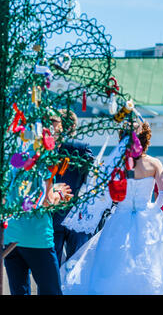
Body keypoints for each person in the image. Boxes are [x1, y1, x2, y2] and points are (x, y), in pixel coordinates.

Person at [59, 122, 163, 294]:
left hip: (120, 216)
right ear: (146, 140)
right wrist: (151, 209)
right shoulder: (154, 163)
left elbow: (108, 194)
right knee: (148, 260)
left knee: (115, 260)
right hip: (146, 217)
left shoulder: (117, 164)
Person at [4, 127, 74, 295]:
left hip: (11, 236)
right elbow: (46, 202)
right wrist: (58, 193)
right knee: (51, 292)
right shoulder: (46, 160)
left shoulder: (13, 157)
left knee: (19, 292)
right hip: (37, 238)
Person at [50, 109, 94, 266]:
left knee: (51, 265)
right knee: (76, 265)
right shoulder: (82, 148)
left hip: (52, 211)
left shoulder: (48, 149)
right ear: (74, 126)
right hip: (76, 213)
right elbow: (93, 178)